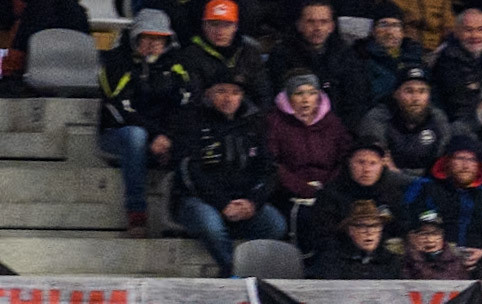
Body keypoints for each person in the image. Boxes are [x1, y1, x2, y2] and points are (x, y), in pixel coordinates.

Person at [174, 71, 286, 276]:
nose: (228, 98)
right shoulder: (192, 121)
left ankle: (250, 271)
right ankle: (234, 274)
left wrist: (253, 203)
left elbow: (268, 169)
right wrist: (222, 204)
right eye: (221, 91)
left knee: (275, 225)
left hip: (243, 201)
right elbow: (190, 172)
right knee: (211, 226)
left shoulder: (254, 123)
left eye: (235, 92)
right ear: (208, 94)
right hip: (200, 201)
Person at [99, 8, 190, 239]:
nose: (152, 44)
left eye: (158, 39)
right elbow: (120, 106)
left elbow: (185, 103)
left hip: (162, 136)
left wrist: (167, 136)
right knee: (136, 136)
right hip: (118, 133)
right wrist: (154, 135)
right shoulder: (116, 61)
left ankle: (179, 217)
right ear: (135, 37)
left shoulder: (176, 64)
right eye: (147, 37)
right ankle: (137, 214)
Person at [265, 0, 369, 128]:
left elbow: (356, 100)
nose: (317, 28)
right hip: (293, 129)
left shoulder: (346, 55)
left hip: (338, 129)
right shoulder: (281, 54)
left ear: (331, 26)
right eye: (311, 22)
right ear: (299, 25)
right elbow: (278, 95)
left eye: (323, 22)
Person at [401, 134, 482, 268]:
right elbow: (406, 222)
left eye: (472, 160)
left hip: (477, 264)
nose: (466, 165)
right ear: (447, 161)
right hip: (431, 263)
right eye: (460, 158)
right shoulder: (425, 187)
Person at [307, 137, 409, 256]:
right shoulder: (330, 195)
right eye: (361, 162)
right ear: (349, 162)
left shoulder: (392, 194)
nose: (366, 169)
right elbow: (322, 235)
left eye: (373, 163)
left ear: (382, 165)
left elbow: (402, 228)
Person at [266, 71, 351, 210]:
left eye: (312, 93)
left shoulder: (332, 123)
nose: (306, 99)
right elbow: (272, 164)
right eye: (299, 93)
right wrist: (303, 189)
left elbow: (344, 158)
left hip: (329, 191)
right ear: (288, 97)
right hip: (289, 194)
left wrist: (326, 188)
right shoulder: (275, 123)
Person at [356, 64, 452, 179]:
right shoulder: (377, 118)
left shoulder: (438, 118)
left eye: (422, 91)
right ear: (396, 94)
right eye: (409, 91)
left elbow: (442, 161)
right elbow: (381, 163)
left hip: (431, 183)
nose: (416, 98)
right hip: (390, 184)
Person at [177, 0, 268, 107]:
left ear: (235, 27)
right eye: (214, 24)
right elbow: (193, 95)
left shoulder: (249, 52)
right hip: (205, 117)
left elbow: (263, 93)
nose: (220, 31)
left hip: (246, 116)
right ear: (204, 26)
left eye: (227, 25)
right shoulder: (191, 55)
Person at [356, 1, 426, 107]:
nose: (390, 32)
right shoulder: (360, 58)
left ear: (402, 32)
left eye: (395, 25)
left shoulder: (415, 58)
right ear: (373, 31)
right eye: (383, 25)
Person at [308, 200, 404, 277]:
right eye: (362, 226)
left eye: (375, 226)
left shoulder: (391, 261)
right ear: (350, 230)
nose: (369, 232)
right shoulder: (331, 261)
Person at [401, 208, 471, 277]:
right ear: (413, 237)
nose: (430, 240)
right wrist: (414, 255)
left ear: (443, 235)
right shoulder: (403, 260)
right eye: (424, 234)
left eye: (435, 234)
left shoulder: (456, 260)